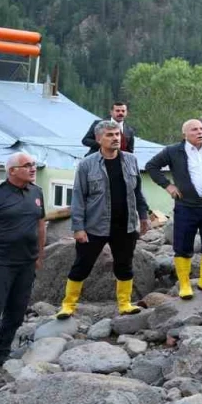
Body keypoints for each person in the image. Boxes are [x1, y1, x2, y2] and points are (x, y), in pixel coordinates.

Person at [56, 121, 152, 319]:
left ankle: (125, 304)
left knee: (124, 265)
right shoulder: (86, 164)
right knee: (82, 265)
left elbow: (138, 192)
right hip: (94, 226)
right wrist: (78, 227)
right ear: (99, 139)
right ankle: (68, 305)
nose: (116, 138)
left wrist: (143, 217)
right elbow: (78, 197)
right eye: (110, 135)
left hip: (125, 225)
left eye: (117, 134)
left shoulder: (131, 160)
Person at [0, 152, 47, 380]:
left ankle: (1, 353)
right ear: (12, 171)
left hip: (26, 262)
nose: (33, 169)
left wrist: (40, 255)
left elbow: (40, 225)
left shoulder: (36, 192)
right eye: (27, 166)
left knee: (16, 312)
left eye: (34, 165)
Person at [145, 119, 202, 299]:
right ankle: (184, 284)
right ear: (185, 134)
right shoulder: (173, 151)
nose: (200, 132)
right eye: (194, 130)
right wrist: (168, 186)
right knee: (182, 246)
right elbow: (152, 166)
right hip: (186, 207)